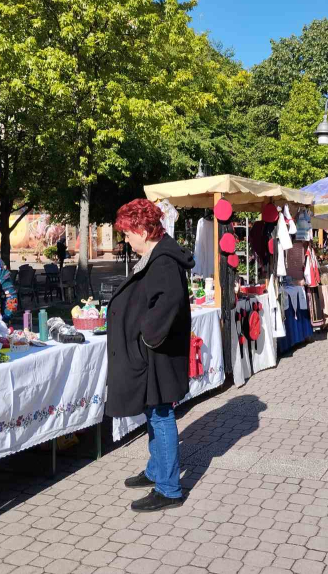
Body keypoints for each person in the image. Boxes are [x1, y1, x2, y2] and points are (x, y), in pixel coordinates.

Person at [107, 199, 194, 512]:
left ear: (143, 229)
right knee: (153, 413)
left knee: (161, 415)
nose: (126, 239)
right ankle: (157, 471)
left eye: (128, 233)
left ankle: (170, 489)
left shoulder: (164, 261)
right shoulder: (157, 256)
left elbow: (166, 305)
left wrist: (144, 336)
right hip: (154, 353)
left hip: (157, 354)